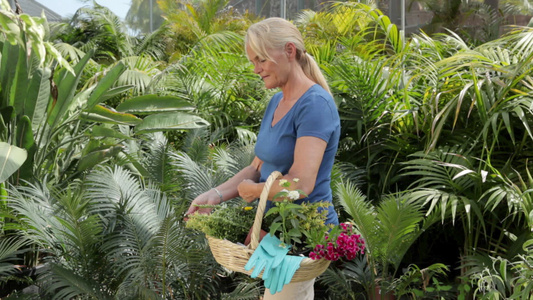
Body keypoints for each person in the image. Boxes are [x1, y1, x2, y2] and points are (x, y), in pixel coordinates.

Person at [186, 17, 340, 299]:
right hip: (278, 231)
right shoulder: (276, 102)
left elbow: (300, 185)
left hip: (302, 235)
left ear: (289, 51)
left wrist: (256, 193)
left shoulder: (314, 105)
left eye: (261, 60)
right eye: (253, 62)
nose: (256, 70)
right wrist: (214, 195)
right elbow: (257, 167)